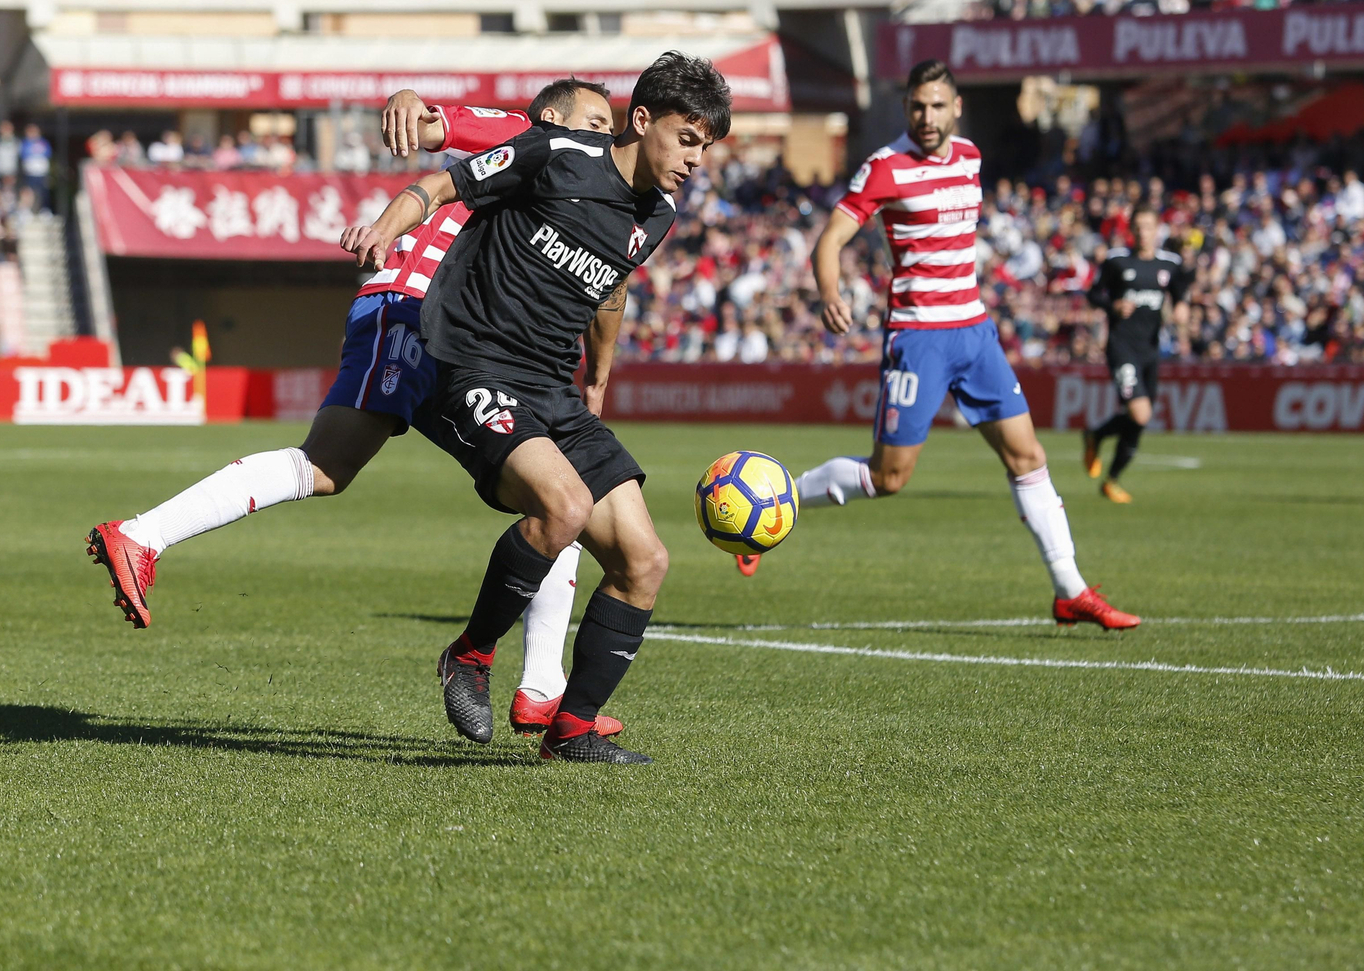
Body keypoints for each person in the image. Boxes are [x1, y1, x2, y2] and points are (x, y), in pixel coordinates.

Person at [85, 79, 621, 740]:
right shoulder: (532, 139)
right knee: (332, 466)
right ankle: (143, 536)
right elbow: (438, 124)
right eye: (594, 121)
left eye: (610, 126)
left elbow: (605, 288)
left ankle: (542, 685)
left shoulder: (591, 191)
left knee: (549, 493)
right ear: (552, 117)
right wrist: (409, 100)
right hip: (414, 306)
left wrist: (596, 372)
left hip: (447, 326)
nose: (605, 136)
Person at [343, 52, 731, 764]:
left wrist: (599, 376)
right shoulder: (557, 152)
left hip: (552, 388)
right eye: (686, 139)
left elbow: (610, 287)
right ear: (642, 120)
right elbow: (442, 183)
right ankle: (469, 655)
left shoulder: (659, 215)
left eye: (705, 147)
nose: (695, 160)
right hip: (472, 366)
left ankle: (572, 729)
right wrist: (384, 228)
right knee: (564, 507)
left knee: (644, 561)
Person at [790, 59, 1139, 631]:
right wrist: (831, 293)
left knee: (1028, 457)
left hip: (975, 334)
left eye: (937, 106)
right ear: (906, 109)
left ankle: (1070, 589)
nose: (926, 117)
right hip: (919, 338)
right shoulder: (885, 167)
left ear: (956, 108)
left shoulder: (971, 157)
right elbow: (829, 241)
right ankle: (782, 502)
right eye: (916, 106)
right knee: (889, 478)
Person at [1082, 202, 1193, 503]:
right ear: (1131, 230)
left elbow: (1181, 290)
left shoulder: (1169, 264)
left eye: (1149, 227)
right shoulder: (1117, 261)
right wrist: (1113, 306)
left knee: (1140, 419)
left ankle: (1109, 471)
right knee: (1140, 412)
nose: (1144, 233)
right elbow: (1093, 294)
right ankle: (1098, 445)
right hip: (1121, 346)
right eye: (1139, 227)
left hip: (1151, 350)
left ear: (1158, 230)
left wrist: (1182, 306)